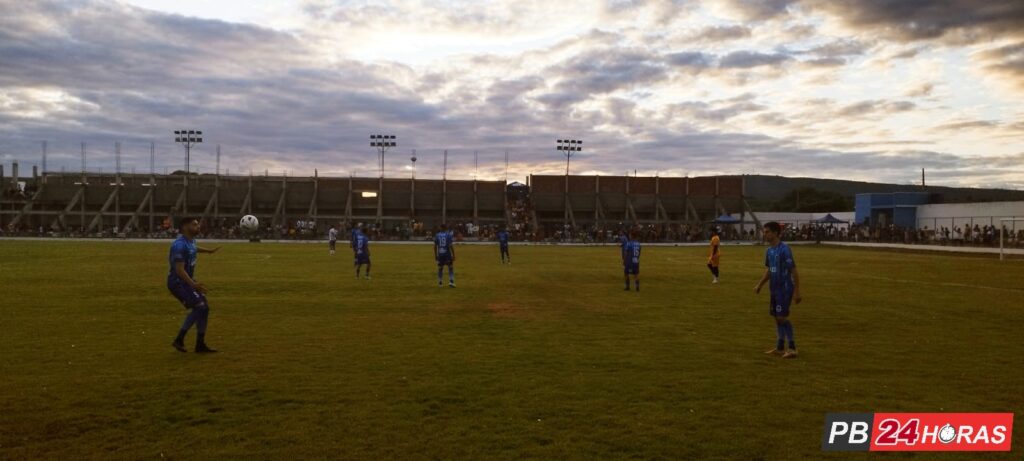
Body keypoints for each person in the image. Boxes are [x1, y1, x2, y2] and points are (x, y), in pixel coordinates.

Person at [168, 217, 221, 353]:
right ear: (185, 227)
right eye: (195, 225)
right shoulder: (179, 245)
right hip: (178, 282)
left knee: (205, 309)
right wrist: (193, 284)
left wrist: (208, 251)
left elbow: (193, 248)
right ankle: (179, 339)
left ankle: (200, 344)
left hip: (187, 282)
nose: (198, 227)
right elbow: (179, 270)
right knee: (200, 307)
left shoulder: (190, 241)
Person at [754, 222, 802, 359]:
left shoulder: (784, 249)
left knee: (781, 318)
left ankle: (792, 348)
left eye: (767, 232)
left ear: (775, 233)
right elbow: (770, 270)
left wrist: (797, 291)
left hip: (784, 288)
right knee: (776, 318)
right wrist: (760, 285)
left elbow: (794, 270)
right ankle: (780, 347)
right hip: (774, 289)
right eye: (765, 232)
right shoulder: (769, 251)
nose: (765, 234)